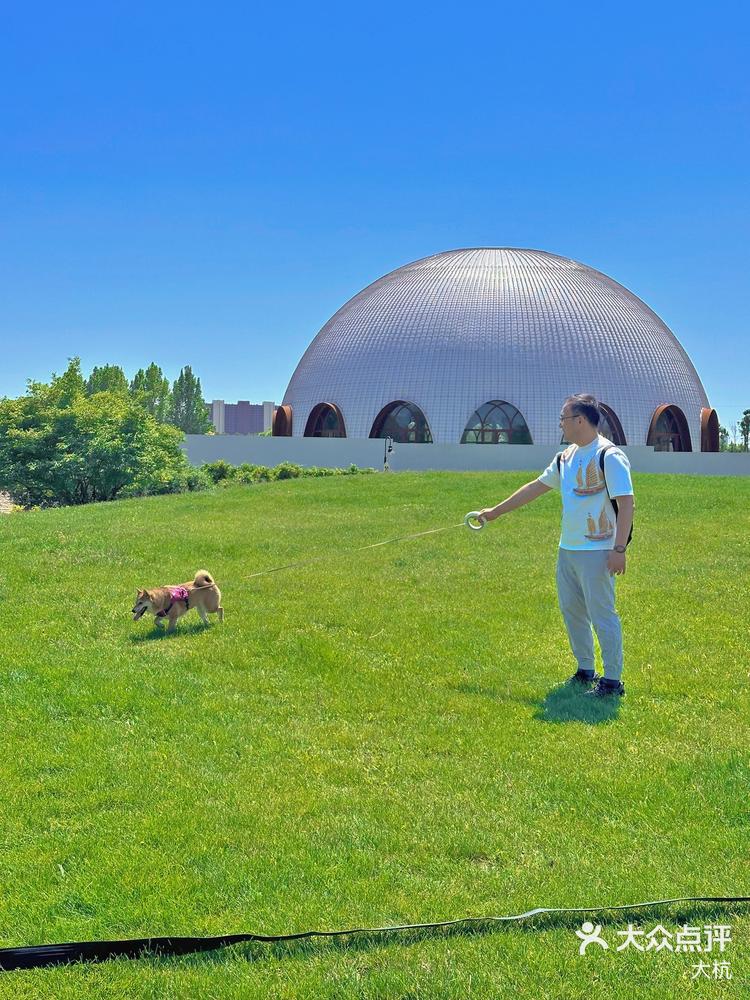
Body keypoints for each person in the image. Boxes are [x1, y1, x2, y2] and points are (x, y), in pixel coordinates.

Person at [477, 394, 635, 697]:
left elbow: (627, 505)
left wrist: (619, 550)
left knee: (602, 614)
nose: (560, 424)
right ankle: (585, 669)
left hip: (598, 551)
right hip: (568, 550)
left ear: (580, 420)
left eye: (564, 417)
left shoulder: (609, 456)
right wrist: (494, 512)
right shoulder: (565, 457)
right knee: (572, 611)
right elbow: (536, 487)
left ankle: (613, 681)